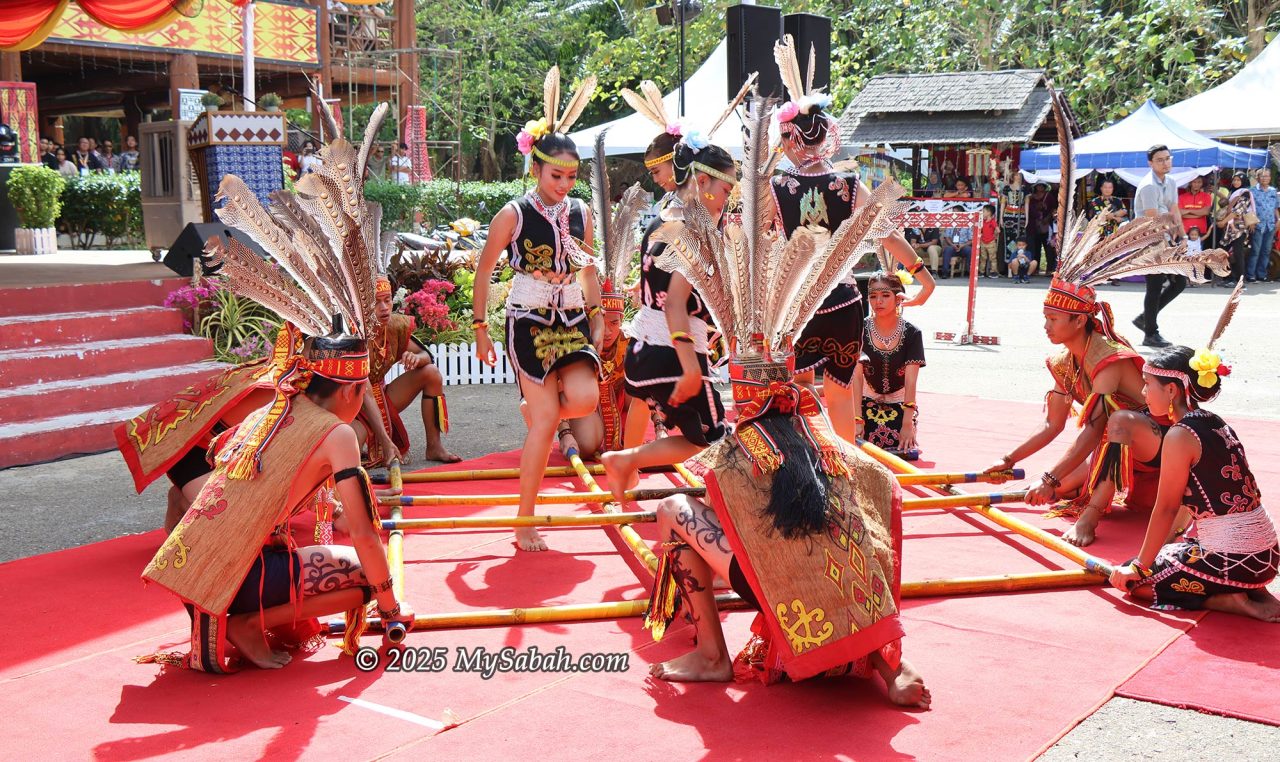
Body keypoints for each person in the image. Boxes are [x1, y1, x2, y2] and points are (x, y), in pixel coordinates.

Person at [639, 98, 928, 704]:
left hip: (778, 591)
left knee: (672, 510)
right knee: (846, 482)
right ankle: (883, 662)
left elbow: (751, 245)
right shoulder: (819, 433)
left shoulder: (733, 449)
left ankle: (711, 654)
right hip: (852, 611)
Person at [141, 110, 414, 672]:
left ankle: (226, 615)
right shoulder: (336, 433)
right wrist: (392, 608)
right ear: (349, 387)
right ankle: (242, 622)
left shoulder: (283, 405)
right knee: (366, 576)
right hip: (238, 578)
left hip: (196, 569)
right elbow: (362, 532)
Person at [987, 94, 1229, 547]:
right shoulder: (1063, 360)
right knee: (1048, 487)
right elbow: (1055, 426)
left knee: (1107, 432)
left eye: (1054, 317)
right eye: (1045, 316)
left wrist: (1048, 474)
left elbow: (1096, 431)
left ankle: (1090, 518)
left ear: (1080, 321)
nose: (1046, 326)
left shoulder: (1109, 360)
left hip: (1159, 444)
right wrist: (1007, 460)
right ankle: (1074, 493)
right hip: (1118, 451)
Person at [763, 35, 934, 448]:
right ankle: (846, 468)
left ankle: (805, 465)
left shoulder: (777, 186)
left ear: (793, 139)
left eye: (784, 138)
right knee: (840, 392)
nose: (781, 146)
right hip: (841, 301)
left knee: (799, 389)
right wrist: (921, 276)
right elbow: (887, 234)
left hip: (796, 304)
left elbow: (762, 247)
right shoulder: (850, 184)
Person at [472, 67, 602, 552]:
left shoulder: (581, 212)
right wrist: (482, 328)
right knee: (547, 424)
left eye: (571, 176)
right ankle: (524, 521)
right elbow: (485, 272)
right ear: (536, 169)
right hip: (527, 315)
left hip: (569, 316)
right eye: (556, 175)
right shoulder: (512, 213)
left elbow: (586, 267)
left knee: (585, 399)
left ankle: (538, 404)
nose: (565, 184)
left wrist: (598, 315)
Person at [602, 140, 738, 501]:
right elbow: (675, 303)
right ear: (702, 181)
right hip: (672, 354)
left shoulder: (664, 218)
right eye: (725, 189)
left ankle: (626, 463)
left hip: (646, 351)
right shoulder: (694, 229)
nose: (727, 199)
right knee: (717, 440)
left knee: (702, 437)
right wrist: (691, 367)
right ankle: (625, 461)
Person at [1109, 344, 1278, 621]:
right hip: (1267, 557)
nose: (1143, 393)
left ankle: (1229, 601)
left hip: (1236, 561)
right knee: (1171, 552)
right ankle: (1254, 591)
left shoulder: (1179, 435)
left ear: (1172, 391)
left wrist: (1139, 567)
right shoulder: (1214, 421)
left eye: (1147, 384)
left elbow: (1165, 507)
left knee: (1138, 585)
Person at [115, 331, 289, 532]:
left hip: (235, 455)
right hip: (192, 450)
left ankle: (193, 495)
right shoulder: (282, 383)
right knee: (236, 531)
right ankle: (183, 499)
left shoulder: (302, 385)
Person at [350, 275, 459, 467]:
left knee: (431, 372)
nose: (384, 308)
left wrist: (416, 359)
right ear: (362, 304)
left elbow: (426, 356)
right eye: (376, 303)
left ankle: (434, 447)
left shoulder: (394, 326)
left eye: (387, 300)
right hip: (353, 407)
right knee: (350, 453)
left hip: (380, 395)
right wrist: (385, 440)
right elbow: (362, 392)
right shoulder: (352, 333)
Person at [853, 268, 926, 459]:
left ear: (899, 299)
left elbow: (911, 382)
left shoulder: (912, 333)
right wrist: (856, 418)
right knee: (860, 443)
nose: (878, 302)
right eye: (873, 296)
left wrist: (908, 423)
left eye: (885, 295)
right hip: (864, 401)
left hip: (900, 403)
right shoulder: (859, 329)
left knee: (898, 443)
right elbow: (857, 378)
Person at [1131, 145, 1185, 348]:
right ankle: (1150, 333)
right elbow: (1154, 217)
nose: (1165, 162)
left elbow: (1174, 209)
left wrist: (1183, 235)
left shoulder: (1170, 182)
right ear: (1150, 163)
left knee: (1179, 282)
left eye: (1167, 158)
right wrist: (1171, 235)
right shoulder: (1148, 186)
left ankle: (1145, 319)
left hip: (1166, 237)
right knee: (1154, 285)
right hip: (1149, 239)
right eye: (1160, 160)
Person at [1216, 174, 1256, 287]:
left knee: (1238, 253)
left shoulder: (1245, 193)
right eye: (1234, 179)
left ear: (1243, 181)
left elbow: (1237, 211)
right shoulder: (1232, 192)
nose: (1236, 182)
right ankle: (1228, 278)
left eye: (1238, 180)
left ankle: (1240, 281)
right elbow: (1226, 207)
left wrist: (1223, 222)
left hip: (1240, 227)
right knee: (1223, 252)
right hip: (1229, 228)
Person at [1247, 168, 1278, 283]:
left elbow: (1275, 207)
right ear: (1258, 178)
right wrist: (1251, 222)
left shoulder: (1273, 191)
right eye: (1262, 176)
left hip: (1270, 224)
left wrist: (1278, 219)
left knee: (1266, 250)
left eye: (1267, 176)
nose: (1265, 178)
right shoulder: (1252, 191)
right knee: (1255, 250)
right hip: (1258, 225)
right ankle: (1250, 275)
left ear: (1270, 178)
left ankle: (1262, 274)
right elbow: (1248, 208)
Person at [1025, 183, 1054, 275]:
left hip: (1045, 224)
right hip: (1033, 225)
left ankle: (1049, 269)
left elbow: (1053, 209)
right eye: (1038, 185)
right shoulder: (1030, 197)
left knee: (1048, 247)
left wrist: (1048, 218)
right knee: (1034, 247)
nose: (1040, 187)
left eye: (1042, 185)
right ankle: (1034, 269)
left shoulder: (1049, 196)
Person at [999, 172, 1028, 255]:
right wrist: (1001, 217)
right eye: (1016, 175)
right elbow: (1003, 203)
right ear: (1013, 176)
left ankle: (1020, 258)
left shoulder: (1025, 189)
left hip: (1021, 215)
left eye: (1019, 175)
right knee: (1009, 237)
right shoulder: (1007, 188)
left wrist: (1027, 218)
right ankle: (1010, 258)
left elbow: (1026, 204)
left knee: (1020, 238)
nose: (1018, 177)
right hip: (1008, 215)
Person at [1178, 174, 1213, 239]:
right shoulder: (1181, 197)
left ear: (1202, 183)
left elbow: (1206, 212)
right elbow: (1180, 213)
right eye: (1194, 182)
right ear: (1190, 183)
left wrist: (1188, 210)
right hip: (1184, 230)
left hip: (1200, 230)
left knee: (1198, 249)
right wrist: (1199, 214)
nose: (1196, 184)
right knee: (1183, 249)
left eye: (1199, 182)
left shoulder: (1206, 196)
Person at [978, 204, 999, 278]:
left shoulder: (993, 221)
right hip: (983, 241)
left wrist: (994, 236)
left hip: (991, 242)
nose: (982, 213)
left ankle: (994, 272)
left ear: (989, 213)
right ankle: (981, 272)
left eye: (984, 211)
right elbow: (980, 230)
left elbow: (998, 230)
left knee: (992, 258)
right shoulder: (982, 221)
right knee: (983, 258)